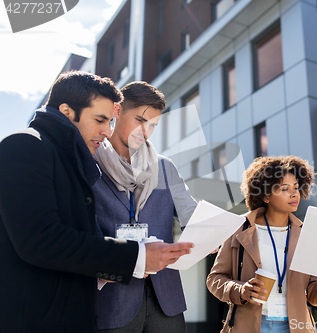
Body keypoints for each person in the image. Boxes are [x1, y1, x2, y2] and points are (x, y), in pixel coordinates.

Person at [0, 71, 193, 333]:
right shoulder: (29, 146)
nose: (106, 130)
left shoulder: (71, 160)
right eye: (101, 120)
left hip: (151, 298)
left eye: (152, 125)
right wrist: (135, 256)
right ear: (67, 111)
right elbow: (43, 240)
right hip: (67, 313)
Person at [207, 156, 317, 333]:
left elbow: (314, 293)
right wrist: (241, 290)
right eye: (285, 189)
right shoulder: (239, 229)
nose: (294, 194)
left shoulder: (307, 234)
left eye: (296, 188)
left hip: (295, 327)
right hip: (249, 325)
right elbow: (215, 279)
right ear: (265, 196)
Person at [93, 81, 198, 332]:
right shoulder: (91, 164)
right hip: (113, 299)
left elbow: (192, 216)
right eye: (140, 120)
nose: (145, 132)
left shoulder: (164, 167)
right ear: (117, 112)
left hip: (166, 299)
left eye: (152, 125)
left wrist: (209, 231)